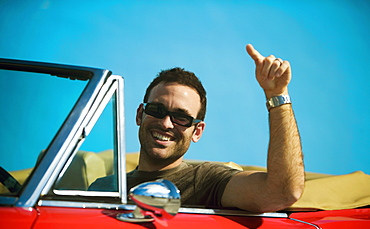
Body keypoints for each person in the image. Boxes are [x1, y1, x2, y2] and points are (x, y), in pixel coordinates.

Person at [90, 44, 305, 213]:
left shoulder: (205, 180)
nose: (166, 123)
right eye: (156, 109)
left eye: (181, 118)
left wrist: (277, 96)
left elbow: (282, 192)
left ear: (197, 131)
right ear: (140, 114)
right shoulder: (102, 188)